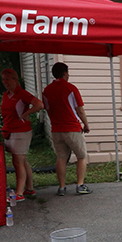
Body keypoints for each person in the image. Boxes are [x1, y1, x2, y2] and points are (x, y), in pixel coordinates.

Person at [42, 62, 92, 196]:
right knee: (81, 156)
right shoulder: (70, 88)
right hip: (71, 128)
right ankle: (80, 185)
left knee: (61, 158)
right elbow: (80, 110)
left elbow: (47, 109)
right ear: (65, 73)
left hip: (56, 129)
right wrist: (86, 125)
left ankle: (62, 187)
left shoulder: (46, 90)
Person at [0, 69, 43, 201]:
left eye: (7, 79)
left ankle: (19, 194)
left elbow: (39, 104)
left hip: (21, 131)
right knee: (22, 160)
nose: (5, 82)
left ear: (15, 79)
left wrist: (26, 113)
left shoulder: (22, 94)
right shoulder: (6, 95)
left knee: (17, 162)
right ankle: (29, 188)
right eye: (3, 80)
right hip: (9, 130)